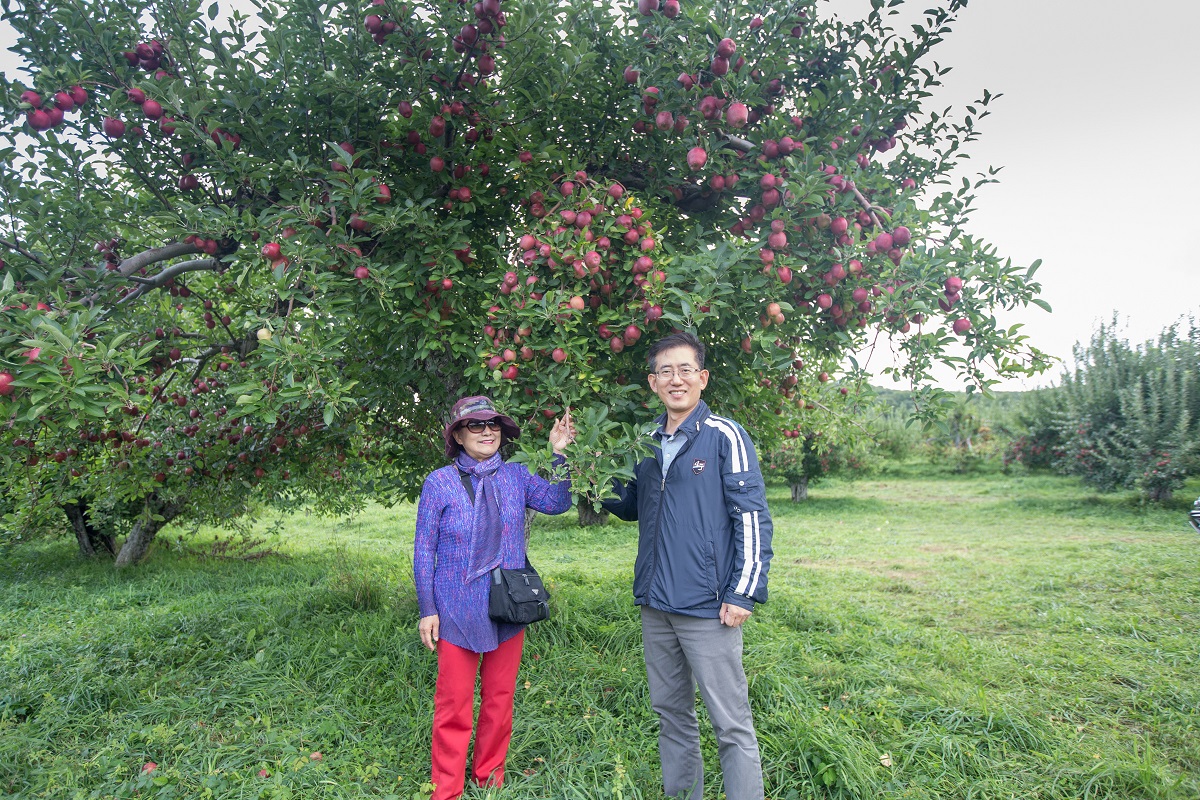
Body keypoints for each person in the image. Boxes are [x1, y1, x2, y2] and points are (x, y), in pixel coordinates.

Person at [603, 332, 773, 800]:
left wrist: (743, 592)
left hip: (708, 606)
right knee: (672, 715)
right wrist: (574, 464)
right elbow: (630, 506)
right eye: (665, 371)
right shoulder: (646, 441)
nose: (675, 380)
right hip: (656, 605)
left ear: (702, 378)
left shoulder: (724, 436)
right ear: (653, 382)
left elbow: (752, 517)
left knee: (731, 724)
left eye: (685, 370)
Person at [414, 395, 574, 800]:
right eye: (475, 425)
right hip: (456, 607)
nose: (487, 432)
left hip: (508, 605)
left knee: (499, 700)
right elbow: (424, 550)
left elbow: (557, 502)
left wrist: (559, 454)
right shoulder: (439, 482)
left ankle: (489, 780)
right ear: (458, 436)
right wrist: (428, 609)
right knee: (453, 704)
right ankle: (446, 789)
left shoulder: (517, 475)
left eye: (493, 424)